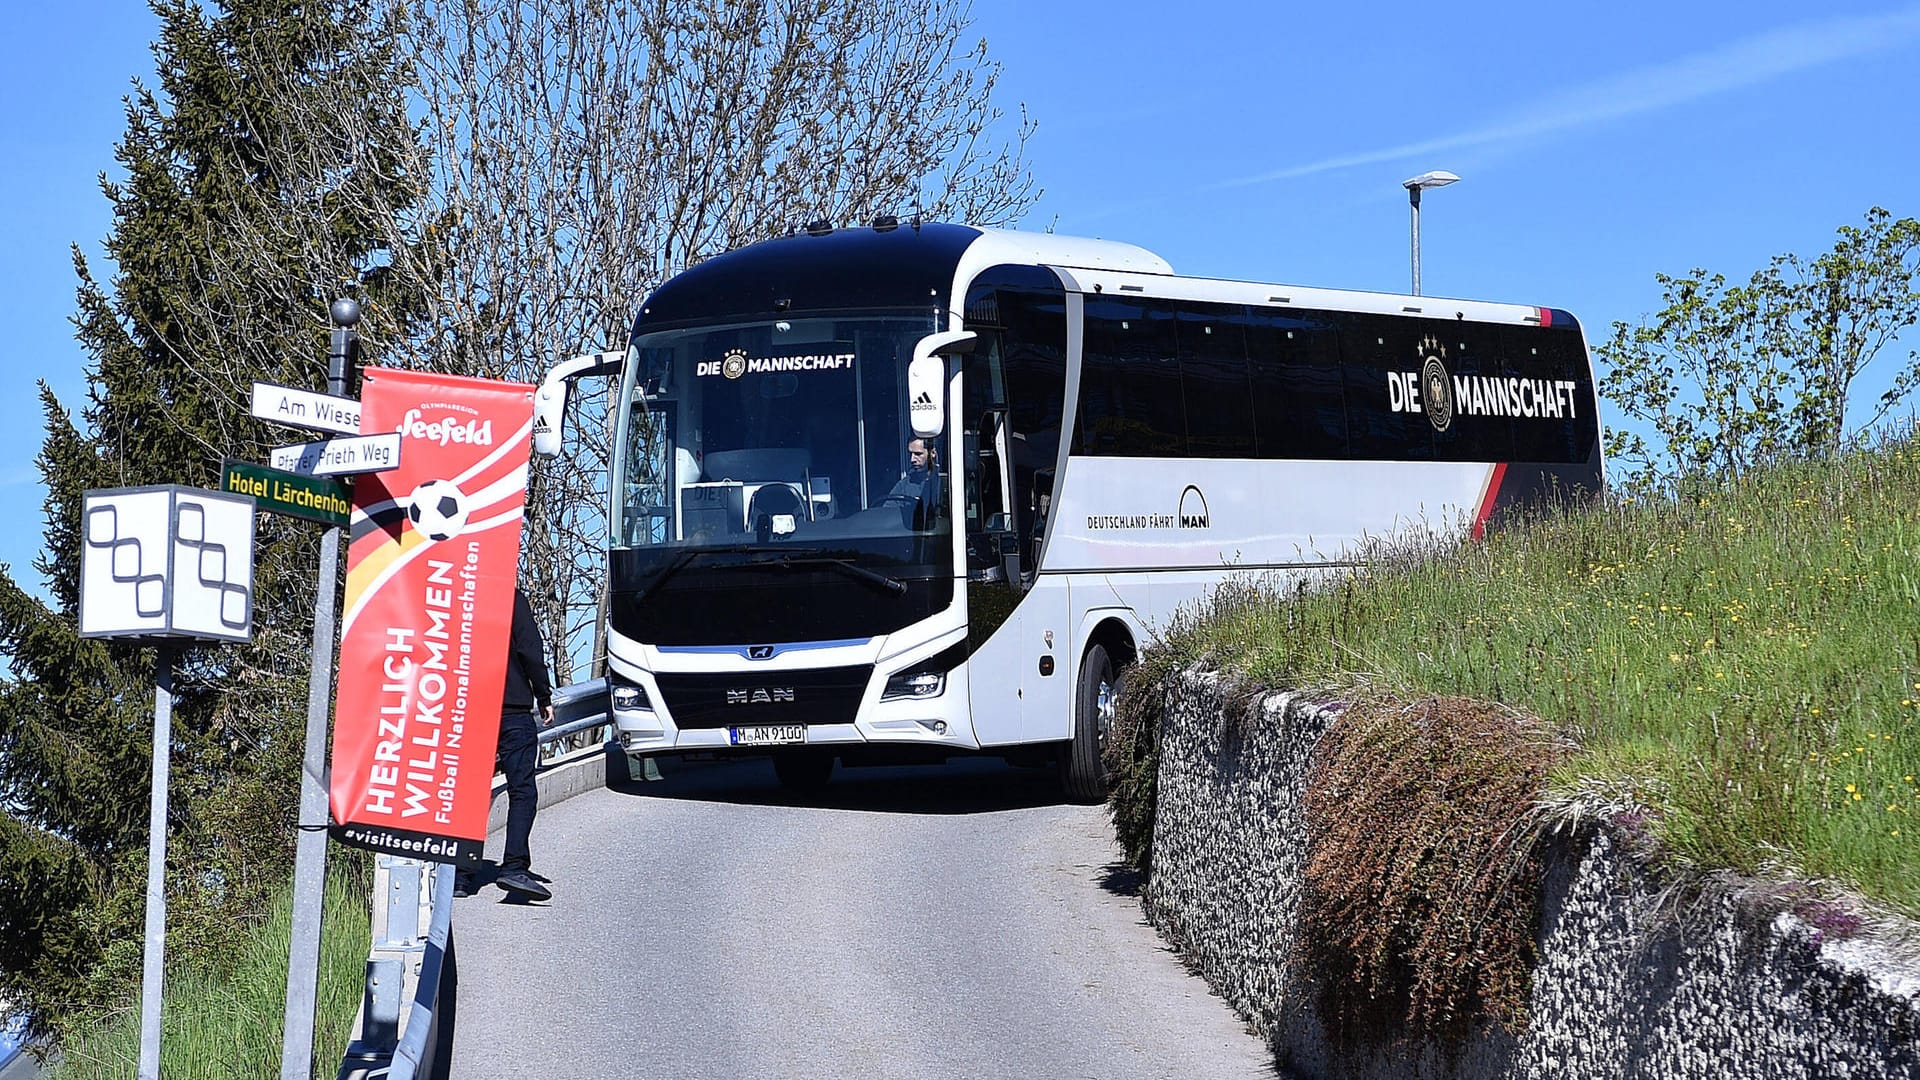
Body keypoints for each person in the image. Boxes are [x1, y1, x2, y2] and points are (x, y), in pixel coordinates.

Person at [492, 584, 555, 901]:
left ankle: (460, 875)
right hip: (512, 709)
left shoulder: (460, 595)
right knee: (522, 790)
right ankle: (514, 866)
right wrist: (543, 694)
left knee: (468, 793)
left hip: (469, 710)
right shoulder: (511, 598)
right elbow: (530, 649)